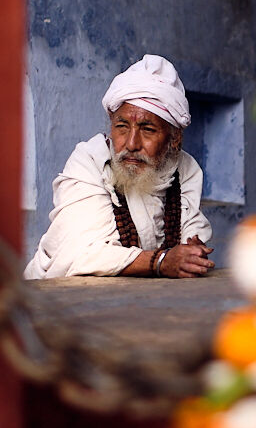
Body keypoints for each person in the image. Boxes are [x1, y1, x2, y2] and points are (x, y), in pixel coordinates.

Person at [24, 54, 214, 279]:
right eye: (122, 126)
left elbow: (190, 234)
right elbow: (80, 255)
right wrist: (161, 261)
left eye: (148, 130)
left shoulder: (186, 169)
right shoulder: (89, 161)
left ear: (175, 139)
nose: (131, 144)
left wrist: (192, 251)